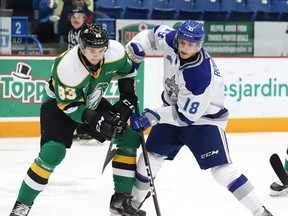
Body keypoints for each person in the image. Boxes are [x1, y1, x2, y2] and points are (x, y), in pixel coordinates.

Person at [125, 20, 273, 216]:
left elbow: (186, 117)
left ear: (199, 45)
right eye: (183, 42)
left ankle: (260, 212)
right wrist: (136, 49)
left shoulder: (200, 75)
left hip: (204, 120)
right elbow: (151, 36)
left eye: (191, 44)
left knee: (222, 172)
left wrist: (151, 117)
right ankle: (132, 207)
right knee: (149, 160)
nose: (185, 47)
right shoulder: (171, 39)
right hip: (172, 111)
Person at [9, 23, 145, 216]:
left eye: (100, 50)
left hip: (91, 100)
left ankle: (120, 201)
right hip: (59, 105)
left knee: (128, 138)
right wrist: (97, 121)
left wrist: (127, 95)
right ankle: (21, 207)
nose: (97, 55)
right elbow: (70, 107)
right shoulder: (67, 67)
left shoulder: (115, 52)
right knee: (52, 152)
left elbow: (128, 72)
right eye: (91, 50)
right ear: (81, 47)